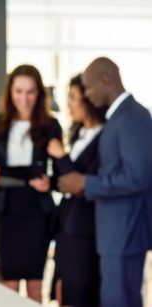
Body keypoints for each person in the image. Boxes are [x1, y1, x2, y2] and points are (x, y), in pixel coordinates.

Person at [58, 57, 152, 307]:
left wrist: (86, 183)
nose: (88, 95)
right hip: (116, 232)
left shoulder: (132, 117)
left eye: (89, 88)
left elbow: (138, 177)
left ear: (106, 80)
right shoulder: (120, 117)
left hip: (125, 231)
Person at [0, 64, 62, 302]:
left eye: (30, 92)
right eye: (18, 91)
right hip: (8, 211)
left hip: (37, 211)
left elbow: (61, 172)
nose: (24, 98)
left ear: (39, 94)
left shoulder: (50, 125)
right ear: (10, 92)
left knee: (36, 284)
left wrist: (50, 182)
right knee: (9, 284)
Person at [46, 74, 106, 306]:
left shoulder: (104, 138)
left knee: (79, 292)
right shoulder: (78, 133)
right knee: (63, 290)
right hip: (66, 226)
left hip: (84, 229)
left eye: (73, 97)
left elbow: (82, 183)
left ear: (89, 100)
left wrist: (61, 157)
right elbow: (66, 180)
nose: (69, 104)